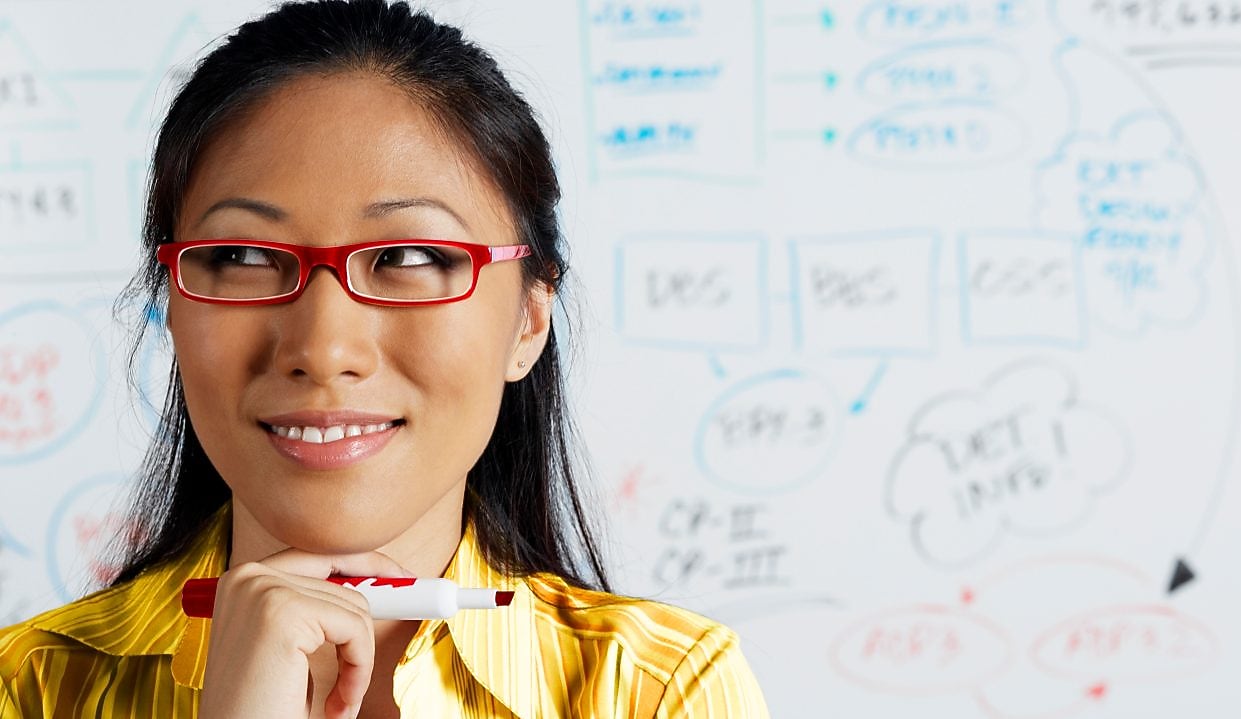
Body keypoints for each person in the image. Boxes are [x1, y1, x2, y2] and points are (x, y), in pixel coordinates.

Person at [0, 1, 769, 716]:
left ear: (530, 316)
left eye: (407, 255)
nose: (323, 349)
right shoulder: (29, 682)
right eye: (241, 255)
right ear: (172, 299)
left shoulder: (659, 688)